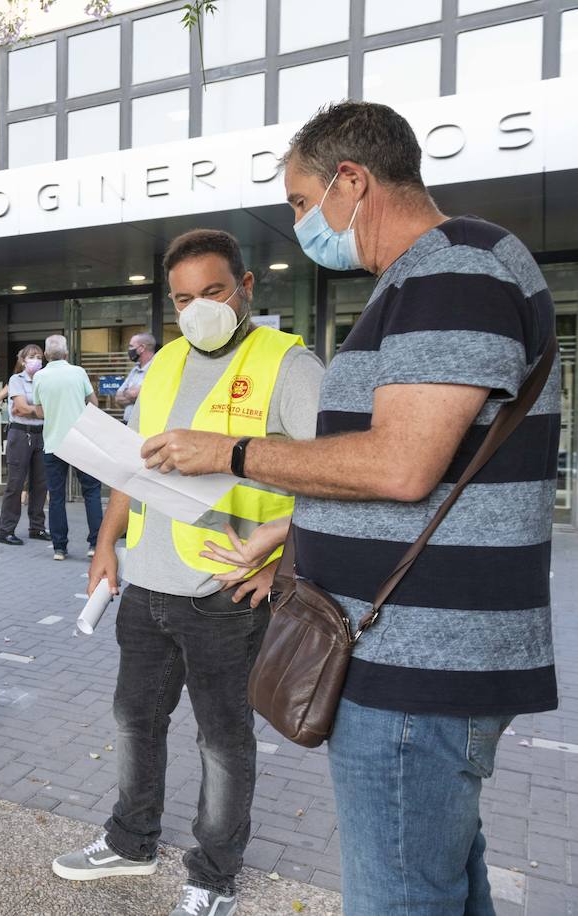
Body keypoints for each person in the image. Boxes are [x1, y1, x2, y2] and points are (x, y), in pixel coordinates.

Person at [141, 101, 560, 915]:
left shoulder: (453, 271)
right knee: (441, 884)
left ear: (352, 180)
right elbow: (418, 463)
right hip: (413, 658)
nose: (301, 222)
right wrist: (291, 532)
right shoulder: (426, 278)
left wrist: (228, 452)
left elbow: (402, 465)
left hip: (419, 666)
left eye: (300, 201)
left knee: (398, 898)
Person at [51, 229, 324, 916]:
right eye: (182, 299)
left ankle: (213, 874)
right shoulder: (165, 363)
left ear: (247, 287)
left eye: (213, 292)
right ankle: (131, 840)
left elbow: (340, 471)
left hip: (227, 597)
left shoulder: (288, 365)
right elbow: (130, 464)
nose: (199, 309)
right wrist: (106, 543)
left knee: (223, 741)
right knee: (135, 719)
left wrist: (280, 551)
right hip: (148, 587)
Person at [31, 335, 103, 561]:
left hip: (53, 443)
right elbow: (94, 403)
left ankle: (59, 548)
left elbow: (40, 412)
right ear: (66, 353)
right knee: (91, 492)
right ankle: (94, 545)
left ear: (45, 354)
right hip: (80, 440)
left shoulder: (39, 377)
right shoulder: (78, 372)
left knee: (57, 496)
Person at [0, 344, 48, 546]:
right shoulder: (16, 380)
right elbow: (19, 407)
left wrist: (30, 409)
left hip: (41, 434)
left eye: (39, 357)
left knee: (40, 484)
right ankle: (6, 530)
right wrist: (38, 409)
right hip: (20, 434)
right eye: (32, 357)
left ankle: (37, 527)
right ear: (23, 360)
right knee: (15, 483)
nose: (37, 360)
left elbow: (31, 408)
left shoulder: (45, 380)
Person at [115, 332, 156, 424]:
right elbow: (118, 397)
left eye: (131, 346)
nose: (129, 350)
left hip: (145, 425)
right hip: (128, 423)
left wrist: (128, 393)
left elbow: (143, 395)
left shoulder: (157, 367)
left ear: (141, 348)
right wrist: (131, 393)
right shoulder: (135, 370)